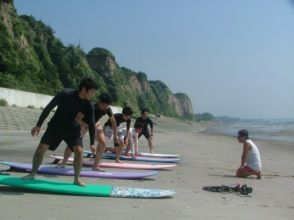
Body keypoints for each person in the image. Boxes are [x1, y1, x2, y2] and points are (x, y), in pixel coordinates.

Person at [23, 78, 97, 186]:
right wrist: (38, 125)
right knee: (41, 149)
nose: (93, 95)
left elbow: (91, 123)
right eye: (92, 92)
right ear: (84, 89)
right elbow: (48, 108)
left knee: (79, 151)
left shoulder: (88, 104)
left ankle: (77, 179)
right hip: (55, 126)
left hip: (72, 129)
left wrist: (92, 143)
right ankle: (33, 173)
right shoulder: (65, 94)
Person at [57, 93, 117, 171]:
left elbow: (113, 122)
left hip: (95, 124)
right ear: (100, 102)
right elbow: (77, 119)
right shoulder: (90, 106)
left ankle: (95, 166)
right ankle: (63, 163)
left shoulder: (107, 109)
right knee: (71, 144)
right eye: (104, 105)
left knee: (103, 143)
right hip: (83, 124)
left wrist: (115, 135)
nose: (106, 107)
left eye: (107, 105)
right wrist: (86, 125)